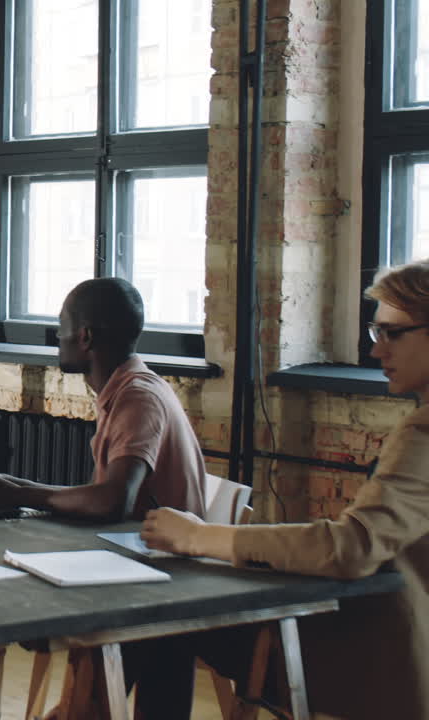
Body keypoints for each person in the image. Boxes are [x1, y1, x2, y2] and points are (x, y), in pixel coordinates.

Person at [142, 259, 429, 719]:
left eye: (392, 333)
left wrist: (198, 537)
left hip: (384, 656)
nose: (377, 352)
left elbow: (351, 546)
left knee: (162, 621)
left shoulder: (423, 433)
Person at [0, 277, 207, 720]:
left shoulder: (140, 398)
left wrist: (17, 491)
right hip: (128, 571)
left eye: (61, 327)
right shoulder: (125, 390)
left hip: (152, 591)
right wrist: (11, 485)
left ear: (85, 336)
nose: (57, 338)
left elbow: (113, 501)